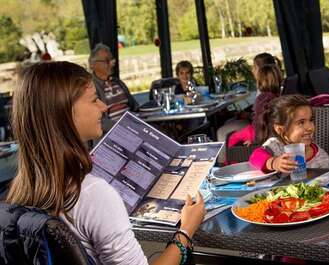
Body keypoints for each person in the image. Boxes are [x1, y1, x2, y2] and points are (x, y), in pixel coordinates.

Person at [6, 61, 205, 265]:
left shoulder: (19, 190)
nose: (103, 106)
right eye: (94, 100)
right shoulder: (93, 193)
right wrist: (186, 231)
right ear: (64, 112)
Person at [249, 94, 329, 172]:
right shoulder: (276, 145)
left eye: (311, 120)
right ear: (280, 129)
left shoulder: (320, 156)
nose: (310, 128)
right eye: (301, 122)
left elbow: (326, 180)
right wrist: (274, 163)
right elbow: (255, 157)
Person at [226, 64, 282, 150]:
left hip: (259, 135)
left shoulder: (262, 99)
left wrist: (255, 141)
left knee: (232, 138)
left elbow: (259, 122)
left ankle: (228, 162)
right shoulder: (277, 97)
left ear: (260, 81)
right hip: (267, 134)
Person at [89, 43, 138, 131]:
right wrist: (121, 127)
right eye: (107, 61)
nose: (112, 64)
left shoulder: (118, 82)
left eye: (112, 59)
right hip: (113, 134)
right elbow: (95, 121)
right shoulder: (90, 89)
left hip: (133, 128)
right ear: (92, 65)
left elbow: (135, 107)